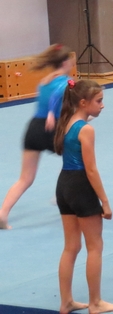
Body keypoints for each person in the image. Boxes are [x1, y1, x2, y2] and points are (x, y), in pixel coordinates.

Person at [54, 79, 113, 314]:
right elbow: (91, 169)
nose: (102, 105)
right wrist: (105, 201)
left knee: (71, 247)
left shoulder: (66, 122)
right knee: (95, 246)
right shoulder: (86, 130)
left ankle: (66, 301)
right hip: (81, 186)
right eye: (99, 101)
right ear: (83, 102)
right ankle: (95, 302)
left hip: (64, 184)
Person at [0, 45, 73, 230]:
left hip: (34, 129)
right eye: (71, 62)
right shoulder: (67, 82)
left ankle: (3, 213)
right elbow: (59, 97)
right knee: (75, 161)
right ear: (65, 63)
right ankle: (62, 195)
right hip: (53, 127)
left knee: (25, 178)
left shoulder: (44, 81)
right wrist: (53, 114)